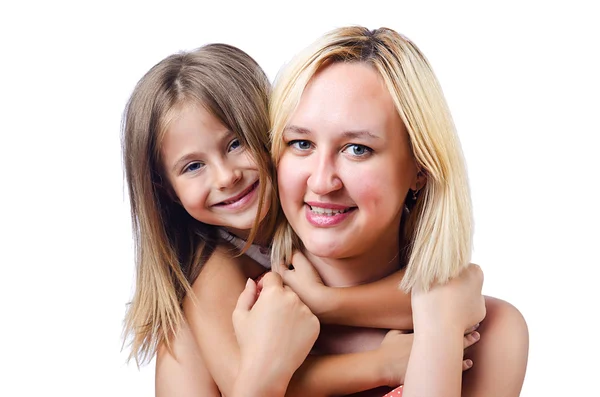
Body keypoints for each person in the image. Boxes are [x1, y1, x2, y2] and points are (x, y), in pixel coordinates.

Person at [121, 43, 479, 396]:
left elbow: (429, 298)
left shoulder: (313, 229)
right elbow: (247, 381)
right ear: (166, 189)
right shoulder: (213, 271)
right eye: (193, 166)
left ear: (270, 134)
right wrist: (381, 364)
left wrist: (325, 302)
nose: (225, 177)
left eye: (235, 144)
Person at [269, 25, 529, 396]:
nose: (322, 181)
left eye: (357, 148)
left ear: (420, 169)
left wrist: (438, 320)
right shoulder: (218, 311)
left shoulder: (491, 335)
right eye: (300, 143)